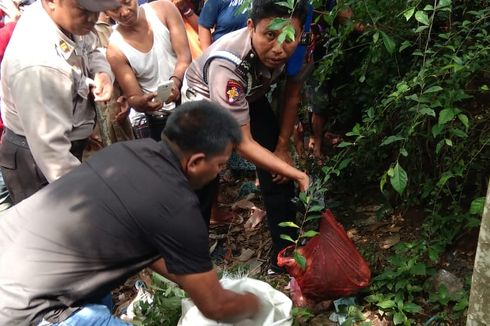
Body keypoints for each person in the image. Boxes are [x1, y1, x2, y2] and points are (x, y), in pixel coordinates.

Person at [0, 101, 260, 326]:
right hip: (24, 306)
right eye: (220, 165)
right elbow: (215, 307)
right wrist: (256, 304)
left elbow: (141, 242)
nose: (220, 173)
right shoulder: (178, 205)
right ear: (195, 162)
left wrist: (196, 279)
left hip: (13, 250)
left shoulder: (126, 152)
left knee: (101, 296)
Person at [183, 0, 310, 272]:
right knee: (203, 178)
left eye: (289, 37)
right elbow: (243, 144)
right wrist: (298, 173)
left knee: (278, 171)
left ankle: (285, 253)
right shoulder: (227, 66)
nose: (279, 48)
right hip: (204, 104)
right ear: (251, 26)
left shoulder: (301, 47)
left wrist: (283, 147)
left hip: (250, 94)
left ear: (300, 34)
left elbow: (292, 94)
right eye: (270, 35)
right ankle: (191, 261)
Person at [0, 0, 118, 204]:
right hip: (37, 161)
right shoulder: (37, 62)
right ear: (51, 2)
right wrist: (89, 201)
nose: (92, 19)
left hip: (63, 139)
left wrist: (102, 73)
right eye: (84, 11)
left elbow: (91, 49)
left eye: (96, 11)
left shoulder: (66, 18)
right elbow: (53, 155)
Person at [106, 0, 192, 141]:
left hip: (190, 100)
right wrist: (141, 103)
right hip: (160, 120)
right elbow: (133, 96)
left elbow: (184, 57)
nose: (125, 12)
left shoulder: (165, 9)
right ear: (105, 11)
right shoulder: (115, 50)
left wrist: (175, 82)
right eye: (114, 9)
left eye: (127, 2)